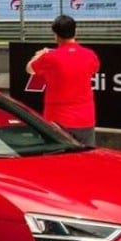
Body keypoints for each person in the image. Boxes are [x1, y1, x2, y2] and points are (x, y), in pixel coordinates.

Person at [25, 14, 100, 146]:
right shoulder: (90, 55)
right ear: (75, 31)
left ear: (55, 35)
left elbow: (29, 68)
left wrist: (40, 55)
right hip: (85, 118)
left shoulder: (50, 58)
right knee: (86, 160)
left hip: (57, 120)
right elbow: (94, 69)